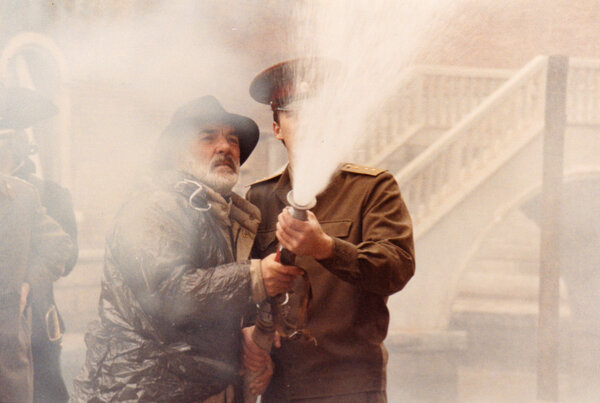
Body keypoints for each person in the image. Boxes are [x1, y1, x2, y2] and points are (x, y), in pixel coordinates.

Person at [71, 95, 302, 402]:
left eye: (232, 140)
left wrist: (252, 338)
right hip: (145, 392)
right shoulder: (155, 205)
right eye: (208, 138)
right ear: (177, 155)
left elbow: (217, 301)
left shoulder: (225, 215)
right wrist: (254, 277)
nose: (225, 147)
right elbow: (168, 294)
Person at [244, 59, 416, 402]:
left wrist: (325, 247)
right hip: (279, 386)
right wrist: (249, 333)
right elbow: (245, 283)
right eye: (294, 113)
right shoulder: (258, 197)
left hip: (349, 386)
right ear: (277, 128)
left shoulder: (373, 188)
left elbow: (397, 269)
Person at [0, 85, 78, 402]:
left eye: (10, 140)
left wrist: (28, 280)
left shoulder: (46, 193)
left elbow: (66, 254)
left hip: (35, 320)